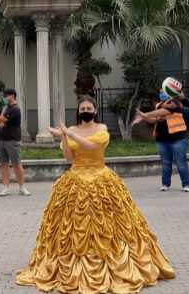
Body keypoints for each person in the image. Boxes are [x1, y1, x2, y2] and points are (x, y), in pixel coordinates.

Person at [16, 96, 175, 293]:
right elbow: (69, 157)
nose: (85, 110)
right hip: (75, 179)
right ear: (78, 111)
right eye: (82, 107)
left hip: (101, 177)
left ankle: (116, 260)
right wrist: (65, 137)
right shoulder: (72, 131)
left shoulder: (102, 129)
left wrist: (67, 133)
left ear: (95, 110)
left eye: (89, 107)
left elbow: (93, 146)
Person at [145, 91, 189, 192]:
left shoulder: (176, 103)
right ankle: (165, 184)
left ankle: (186, 184)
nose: (162, 94)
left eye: (164, 92)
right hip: (162, 139)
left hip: (178, 138)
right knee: (165, 162)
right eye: (161, 92)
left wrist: (146, 115)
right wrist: (144, 118)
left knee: (180, 162)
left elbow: (164, 112)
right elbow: (155, 119)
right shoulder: (158, 105)